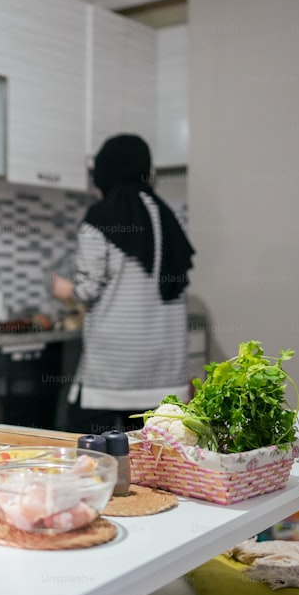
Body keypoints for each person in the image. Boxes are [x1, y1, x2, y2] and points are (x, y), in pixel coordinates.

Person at [51, 134, 195, 435]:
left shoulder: (101, 216)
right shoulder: (168, 216)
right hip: (164, 368)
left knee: (89, 449)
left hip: (112, 369)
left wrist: (67, 291)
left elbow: (88, 289)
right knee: (152, 460)